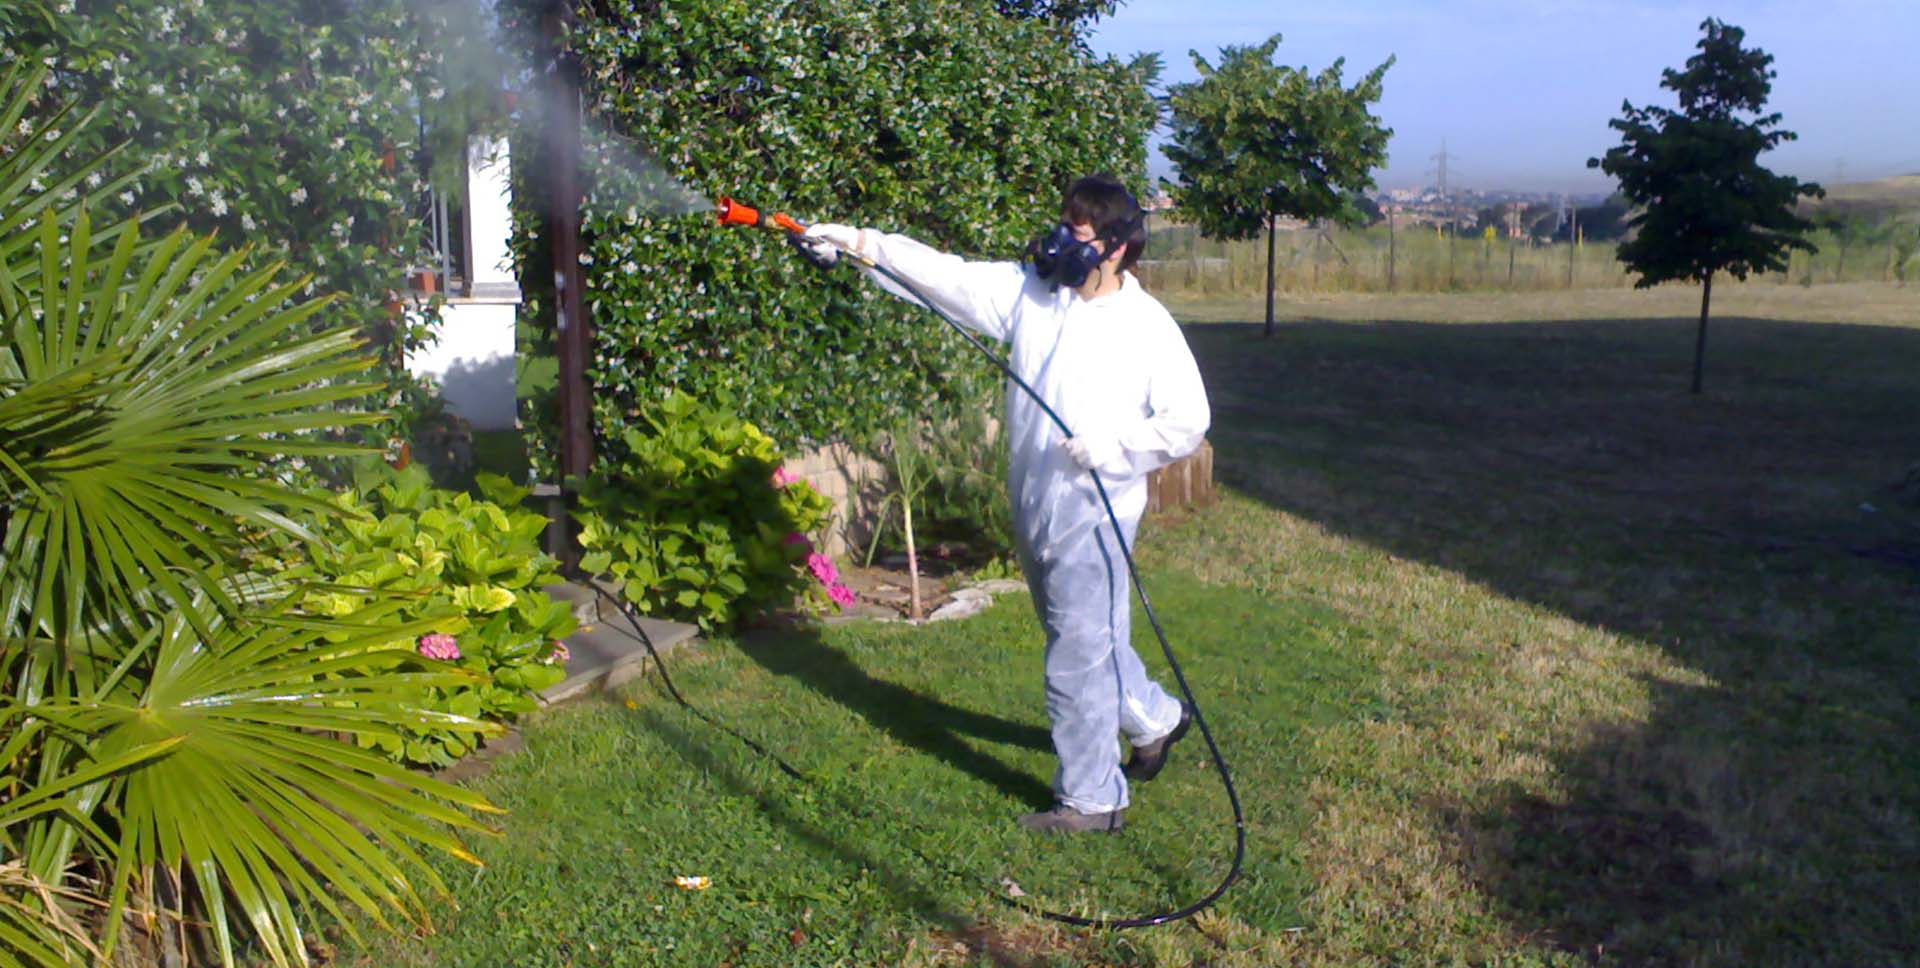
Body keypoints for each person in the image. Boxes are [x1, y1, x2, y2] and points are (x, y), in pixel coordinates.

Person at [797, 174, 1210, 833]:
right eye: (1061, 228)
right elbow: (944, 277)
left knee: (1077, 647)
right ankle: (1156, 718)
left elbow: (1188, 420)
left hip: (1097, 506)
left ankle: (1093, 799)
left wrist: (1114, 447)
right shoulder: (1033, 294)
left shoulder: (1146, 326)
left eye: (1075, 236)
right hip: (1035, 494)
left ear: (1115, 247)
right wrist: (856, 244)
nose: (1058, 245)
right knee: (1083, 632)